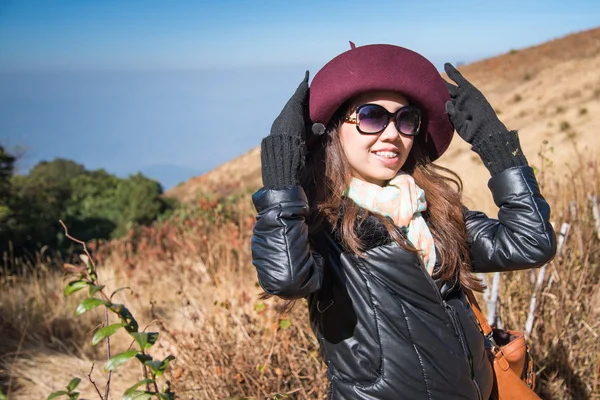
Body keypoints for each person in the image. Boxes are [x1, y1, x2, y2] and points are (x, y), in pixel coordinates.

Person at [251, 43, 556, 400]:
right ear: (335, 129)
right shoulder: (323, 225)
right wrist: (280, 179)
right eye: (371, 116)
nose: (393, 133)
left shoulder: (433, 210)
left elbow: (532, 243)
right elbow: (285, 277)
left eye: (406, 119)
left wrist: (497, 148)